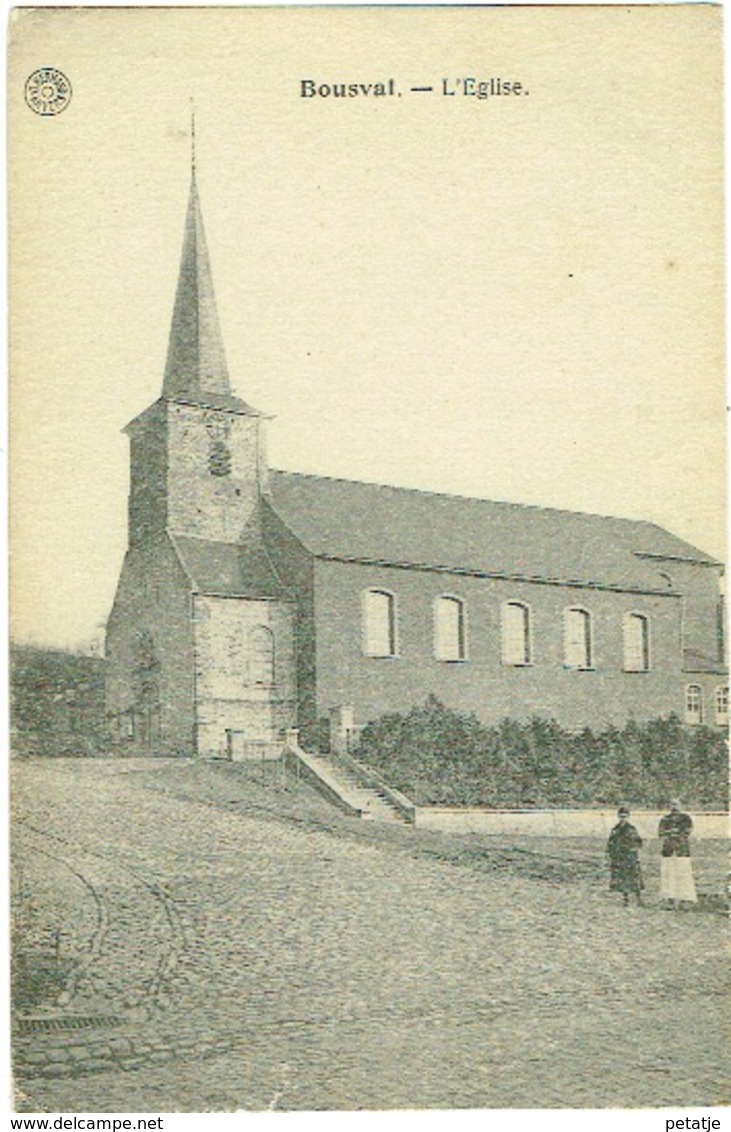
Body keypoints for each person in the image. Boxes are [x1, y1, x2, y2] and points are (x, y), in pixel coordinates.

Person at [658, 799, 697, 908]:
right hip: (668, 851)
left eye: (676, 804)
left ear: (681, 805)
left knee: (683, 874)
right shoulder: (665, 819)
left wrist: (672, 833)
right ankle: (669, 899)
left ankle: (685, 899)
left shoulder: (686, 818)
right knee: (668, 874)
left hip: (682, 850)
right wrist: (672, 833)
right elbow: (661, 833)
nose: (674, 807)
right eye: (672, 804)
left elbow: (687, 831)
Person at [607, 807, 644, 906]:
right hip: (620, 857)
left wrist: (633, 849)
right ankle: (625, 899)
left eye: (625, 816)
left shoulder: (632, 829)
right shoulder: (615, 829)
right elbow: (610, 843)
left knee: (635, 877)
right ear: (618, 817)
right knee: (623, 878)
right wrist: (611, 854)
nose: (623, 818)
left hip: (630, 856)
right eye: (621, 816)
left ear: (628, 817)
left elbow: (639, 842)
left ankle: (639, 899)